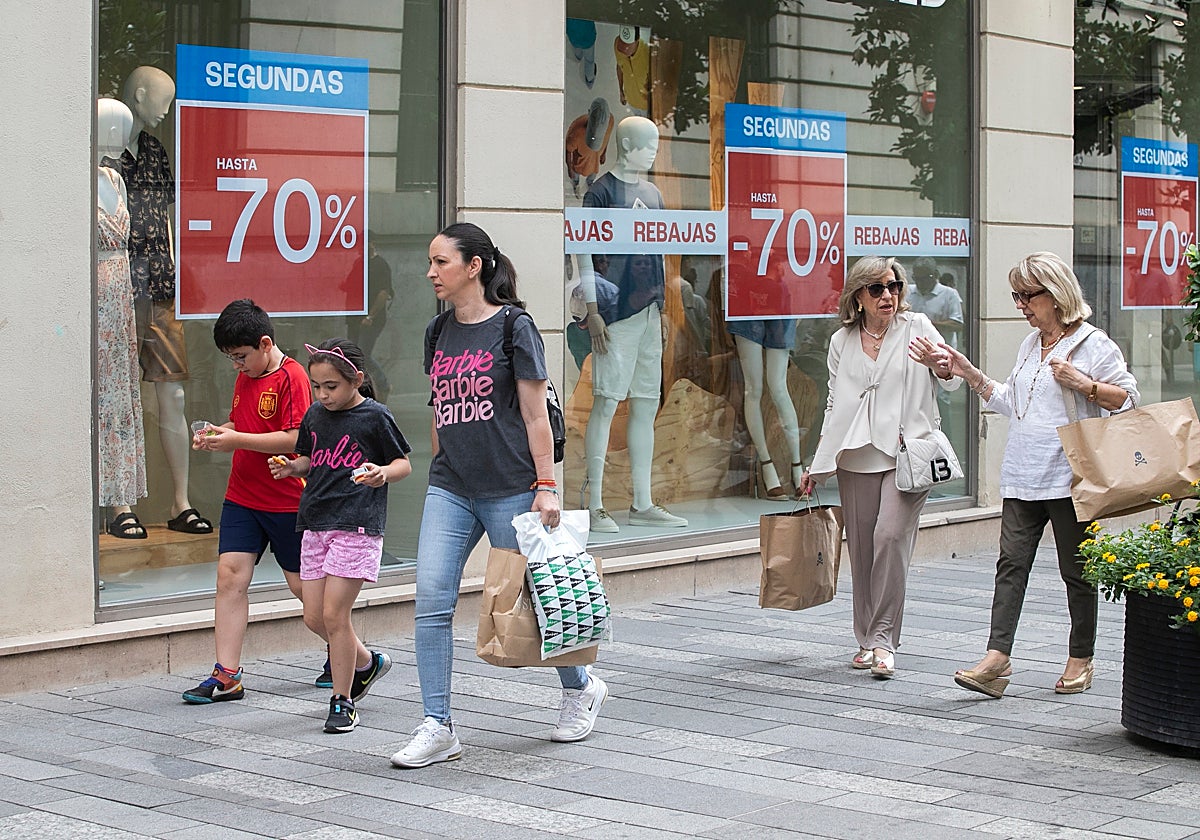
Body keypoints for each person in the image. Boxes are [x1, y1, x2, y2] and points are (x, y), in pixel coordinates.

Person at [391, 222, 608, 769]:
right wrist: (443, 458)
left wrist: (546, 487)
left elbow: (536, 415)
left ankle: (581, 685)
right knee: (432, 603)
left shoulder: (515, 327)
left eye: (441, 262)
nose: (431, 272)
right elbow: (440, 410)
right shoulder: (437, 332)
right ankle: (438, 725)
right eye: (430, 262)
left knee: (539, 598)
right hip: (451, 487)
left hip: (512, 487)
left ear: (474, 267)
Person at [940, 252, 1138, 698]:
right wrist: (969, 373)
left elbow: (1127, 399)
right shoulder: (1031, 344)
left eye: (1027, 295)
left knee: (1076, 570)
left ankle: (1080, 657)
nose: (1020, 305)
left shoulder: (1092, 344)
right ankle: (997, 658)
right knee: (1010, 565)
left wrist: (1084, 384)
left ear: (1056, 294)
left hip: (1070, 478)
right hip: (1023, 473)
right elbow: (1015, 402)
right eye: (1017, 295)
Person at [799, 256, 960, 679]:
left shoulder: (917, 326)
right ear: (858, 296)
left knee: (890, 536)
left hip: (908, 453)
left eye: (894, 286)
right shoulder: (842, 341)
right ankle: (865, 638)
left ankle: (884, 640)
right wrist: (817, 464)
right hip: (856, 455)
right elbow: (835, 405)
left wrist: (939, 366)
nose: (888, 295)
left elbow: (950, 376)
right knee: (864, 550)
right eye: (877, 289)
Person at [269, 339, 411, 733]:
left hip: (358, 525)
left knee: (335, 615)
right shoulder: (315, 416)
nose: (322, 394)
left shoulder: (375, 417)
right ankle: (367, 662)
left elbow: (403, 463)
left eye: (331, 386)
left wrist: (382, 473)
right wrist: (290, 467)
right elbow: (310, 459)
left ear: (357, 380)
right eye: (317, 386)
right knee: (314, 616)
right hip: (315, 524)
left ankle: (342, 700)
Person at [183, 299, 317, 704]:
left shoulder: (293, 377)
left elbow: (296, 438)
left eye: (240, 357)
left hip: (287, 500)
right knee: (230, 577)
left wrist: (236, 439)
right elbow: (242, 425)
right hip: (242, 496)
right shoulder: (247, 375)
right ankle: (227, 674)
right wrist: (217, 434)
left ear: (264, 343)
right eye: (230, 359)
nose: (236, 366)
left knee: (304, 591)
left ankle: (351, 655)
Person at [115, 66, 212, 536]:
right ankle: (119, 505)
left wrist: (180, 276)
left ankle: (180, 502)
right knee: (118, 396)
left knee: (171, 391)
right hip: (114, 288)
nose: (168, 110)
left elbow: (169, 220)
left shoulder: (154, 150)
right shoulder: (102, 154)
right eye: (164, 100)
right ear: (138, 96)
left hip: (159, 288)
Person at [578, 116, 687, 533]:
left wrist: (660, 310)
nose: (654, 149)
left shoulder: (653, 194)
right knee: (606, 401)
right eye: (647, 143)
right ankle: (595, 504)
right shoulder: (601, 191)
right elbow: (584, 250)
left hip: (646, 310)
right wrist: (593, 308)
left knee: (644, 402)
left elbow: (657, 253)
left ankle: (642, 502)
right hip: (614, 308)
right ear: (626, 145)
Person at [96, 97, 148, 538]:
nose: (123, 135)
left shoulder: (115, 178)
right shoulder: (70, 180)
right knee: (92, 392)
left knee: (117, 393)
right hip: (91, 293)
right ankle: (93, 495)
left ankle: (119, 499)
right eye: (118, 126)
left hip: (120, 294)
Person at [906, 257, 963, 348]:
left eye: (925, 278)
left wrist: (926, 324)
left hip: (941, 351)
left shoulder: (949, 294)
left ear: (936, 274)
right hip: (912, 350)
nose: (920, 283)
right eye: (917, 279)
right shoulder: (907, 292)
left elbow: (957, 324)